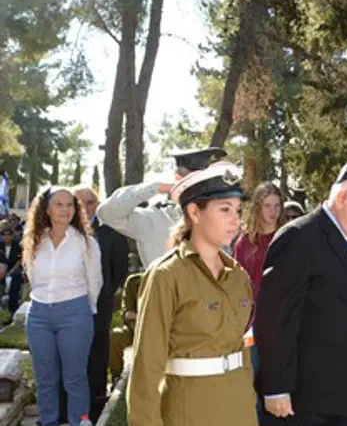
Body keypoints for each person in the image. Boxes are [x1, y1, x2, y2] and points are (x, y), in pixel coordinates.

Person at [256, 161, 347, 425]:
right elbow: (275, 319)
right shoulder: (299, 237)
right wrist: (276, 387)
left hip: (345, 396)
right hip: (305, 402)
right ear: (343, 198)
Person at [127, 161, 257, 426]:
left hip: (239, 406)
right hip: (190, 409)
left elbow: (241, 347)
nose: (236, 219)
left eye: (237, 210)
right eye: (225, 209)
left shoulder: (239, 277)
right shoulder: (166, 275)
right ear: (195, 213)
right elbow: (146, 367)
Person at [22, 187, 102, 426]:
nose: (65, 210)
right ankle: (48, 422)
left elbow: (95, 281)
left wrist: (85, 310)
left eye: (70, 205)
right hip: (39, 315)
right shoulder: (35, 241)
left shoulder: (86, 243)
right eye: (59, 204)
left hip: (74, 313)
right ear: (46, 209)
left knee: (74, 377)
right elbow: (32, 277)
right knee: (45, 378)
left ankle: (81, 421)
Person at [96, 147, 227, 268]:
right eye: (194, 183)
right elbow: (107, 213)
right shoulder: (153, 220)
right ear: (178, 180)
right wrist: (156, 187)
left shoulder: (220, 220)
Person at [72, 186, 129, 421]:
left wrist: (104, 294)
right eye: (79, 202)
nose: (85, 207)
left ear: (98, 205)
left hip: (99, 305)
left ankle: (96, 401)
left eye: (90, 202)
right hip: (68, 304)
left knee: (96, 352)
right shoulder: (62, 231)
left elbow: (120, 269)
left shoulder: (111, 233)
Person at [234, 182, 284, 423]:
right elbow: (237, 284)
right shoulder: (244, 242)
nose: (273, 212)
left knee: (279, 385)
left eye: (277, 205)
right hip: (251, 324)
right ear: (257, 207)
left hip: (282, 321)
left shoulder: (288, 238)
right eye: (267, 206)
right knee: (249, 382)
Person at [108, 272, 141, 385]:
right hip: (136, 328)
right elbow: (127, 313)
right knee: (116, 336)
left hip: (164, 332)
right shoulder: (134, 281)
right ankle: (117, 377)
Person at [0, 221, 22, 313]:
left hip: (14, 268)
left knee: (16, 276)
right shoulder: (0, 245)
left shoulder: (17, 245)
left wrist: (10, 271)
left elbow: (20, 260)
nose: (6, 236)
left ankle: (13, 307)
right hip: (1, 269)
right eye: (3, 234)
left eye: (8, 234)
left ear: (12, 235)